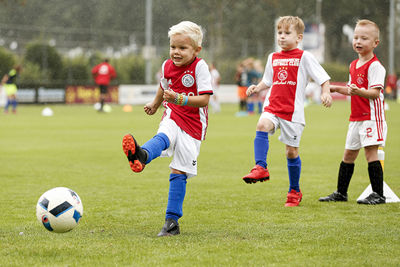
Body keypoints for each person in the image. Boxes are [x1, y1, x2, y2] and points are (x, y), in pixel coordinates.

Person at [122, 21, 213, 236]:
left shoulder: (200, 67)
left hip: (194, 126)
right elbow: (163, 85)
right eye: (173, 47)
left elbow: (205, 100)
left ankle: (171, 223)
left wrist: (180, 98)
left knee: (179, 170)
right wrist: (155, 103)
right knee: (164, 134)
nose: (176, 52)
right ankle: (142, 154)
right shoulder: (166, 66)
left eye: (183, 48)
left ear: (196, 50)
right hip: (172, 113)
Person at [241, 16, 332, 207]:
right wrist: (257, 88)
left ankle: (294, 191)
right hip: (272, 106)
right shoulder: (272, 57)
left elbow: (323, 79)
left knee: (291, 152)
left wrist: (325, 93)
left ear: (299, 37)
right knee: (261, 124)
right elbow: (268, 80)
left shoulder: (305, 57)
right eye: (279, 33)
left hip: (293, 113)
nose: (282, 37)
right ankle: (260, 167)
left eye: (287, 33)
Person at [319, 19, 387, 205]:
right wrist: (333, 88)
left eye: (364, 38)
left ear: (375, 43)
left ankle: (378, 195)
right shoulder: (353, 65)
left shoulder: (375, 66)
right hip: (356, 118)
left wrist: (358, 91)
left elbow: (374, 93)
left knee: (370, 154)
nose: (358, 41)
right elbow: (351, 88)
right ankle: (341, 193)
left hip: (372, 118)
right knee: (348, 155)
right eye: (356, 37)